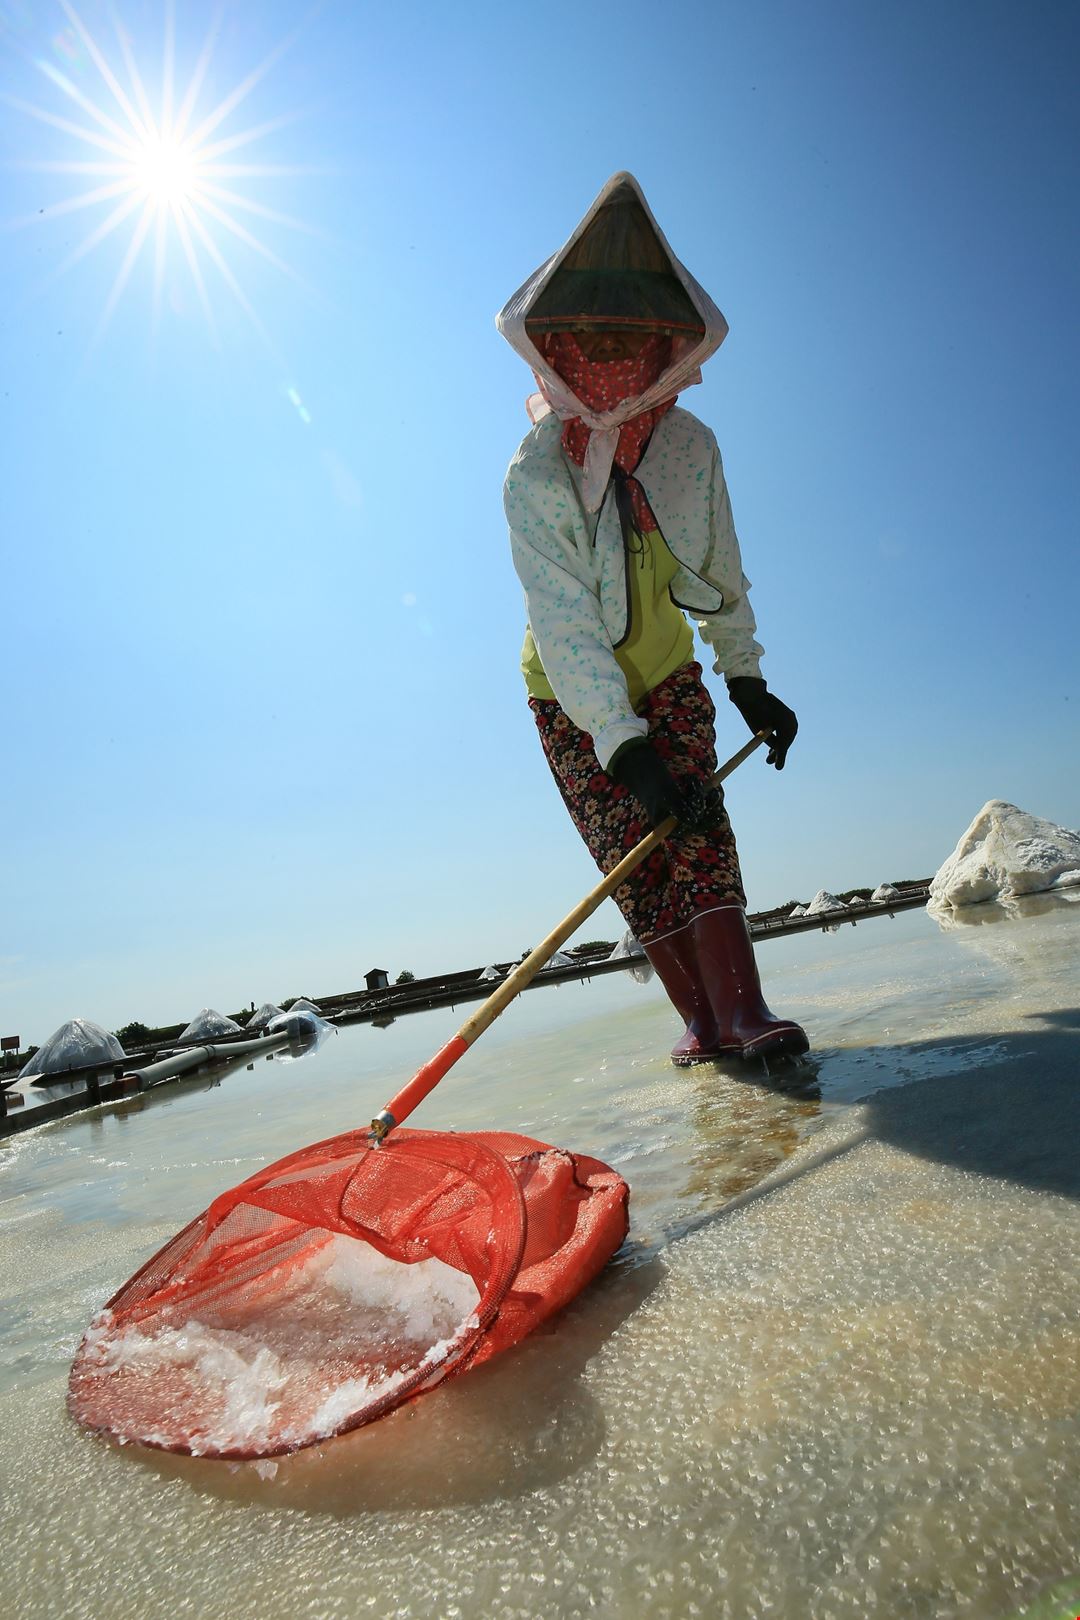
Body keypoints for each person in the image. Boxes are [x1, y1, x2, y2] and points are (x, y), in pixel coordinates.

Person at [496, 172, 808, 1065]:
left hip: (669, 671)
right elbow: (566, 627)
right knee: (633, 851)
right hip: (569, 698)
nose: (611, 355)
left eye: (628, 337)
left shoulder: (690, 449)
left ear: (665, 344)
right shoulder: (535, 476)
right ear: (555, 348)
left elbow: (722, 572)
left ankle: (744, 1010)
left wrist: (746, 680)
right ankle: (702, 1023)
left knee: (699, 825)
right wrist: (623, 746)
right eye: (590, 338)